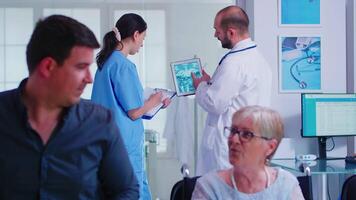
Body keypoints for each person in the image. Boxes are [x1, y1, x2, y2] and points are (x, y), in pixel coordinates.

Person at [0, 15, 139, 199]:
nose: (89, 79)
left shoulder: (99, 123)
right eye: (81, 67)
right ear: (48, 67)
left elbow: (126, 191)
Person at [91, 13, 170, 200]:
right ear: (136, 34)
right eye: (143, 37)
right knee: (131, 191)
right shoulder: (123, 65)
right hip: (124, 145)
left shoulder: (105, 64)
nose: (143, 43)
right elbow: (134, 112)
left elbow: (124, 105)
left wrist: (154, 104)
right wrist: (155, 99)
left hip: (107, 142)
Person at [192, 5, 272, 175]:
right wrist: (210, 83)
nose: (215, 35)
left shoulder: (234, 63)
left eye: (217, 30)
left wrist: (199, 85)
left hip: (228, 148)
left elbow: (215, 103)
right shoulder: (259, 60)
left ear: (231, 32)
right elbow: (234, 94)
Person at [191, 106, 305, 200]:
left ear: (270, 147)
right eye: (233, 131)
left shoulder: (286, 185)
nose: (234, 140)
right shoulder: (209, 187)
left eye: (246, 135)